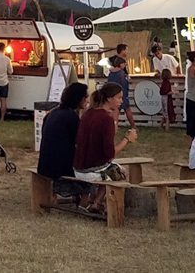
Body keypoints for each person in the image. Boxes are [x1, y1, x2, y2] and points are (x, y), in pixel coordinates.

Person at [73, 84, 138, 214]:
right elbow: (110, 154)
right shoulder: (106, 119)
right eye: (119, 98)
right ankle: (103, 205)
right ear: (109, 99)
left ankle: (94, 201)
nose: (121, 101)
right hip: (91, 170)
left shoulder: (87, 114)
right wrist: (127, 139)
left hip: (78, 167)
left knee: (112, 168)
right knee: (119, 172)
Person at [37, 82, 90, 198]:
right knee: (92, 173)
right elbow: (80, 143)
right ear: (79, 98)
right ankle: (87, 202)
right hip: (60, 167)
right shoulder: (71, 117)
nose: (87, 100)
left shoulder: (52, 113)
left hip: (44, 164)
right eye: (86, 97)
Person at [106, 55, 136, 128]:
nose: (125, 64)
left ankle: (114, 126)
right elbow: (124, 84)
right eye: (123, 63)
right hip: (122, 94)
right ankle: (133, 126)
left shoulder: (110, 73)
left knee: (115, 111)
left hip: (113, 94)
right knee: (127, 109)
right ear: (120, 64)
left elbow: (109, 82)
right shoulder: (121, 73)